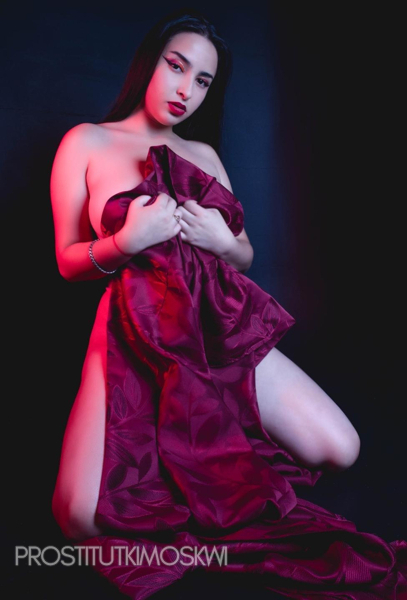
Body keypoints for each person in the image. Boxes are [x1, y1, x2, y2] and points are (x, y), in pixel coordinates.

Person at [50, 8, 406, 600]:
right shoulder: (86, 141)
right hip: (131, 330)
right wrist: (124, 241)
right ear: (150, 63)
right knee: (79, 517)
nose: (186, 90)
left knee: (341, 448)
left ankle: (210, 460)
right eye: (176, 67)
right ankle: (187, 471)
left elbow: (242, 255)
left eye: (203, 80)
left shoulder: (204, 154)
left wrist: (223, 241)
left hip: (218, 325)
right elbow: (67, 260)